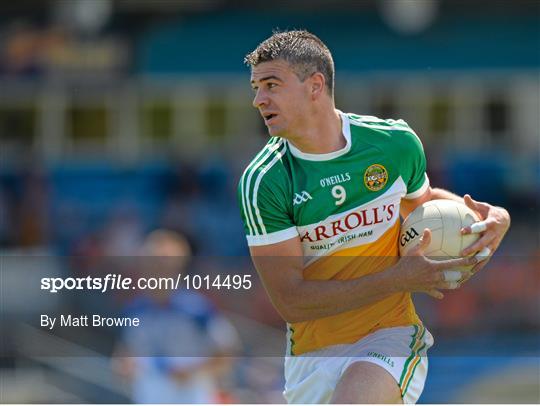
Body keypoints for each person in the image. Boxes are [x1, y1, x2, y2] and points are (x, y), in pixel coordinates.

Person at [237, 30, 510, 404]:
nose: (258, 100)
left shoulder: (393, 143)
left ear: (315, 85)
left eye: (270, 85)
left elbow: (423, 206)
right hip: (312, 359)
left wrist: (494, 215)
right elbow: (291, 301)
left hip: (390, 335)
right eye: (256, 87)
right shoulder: (264, 180)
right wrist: (395, 278)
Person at [113, 230, 239, 403]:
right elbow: (126, 352)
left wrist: (192, 372)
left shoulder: (196, 309)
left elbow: (227, 352)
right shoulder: (134, 310)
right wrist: (124, 366)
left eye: (163, 264)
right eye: (151, 263)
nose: (156, 270)